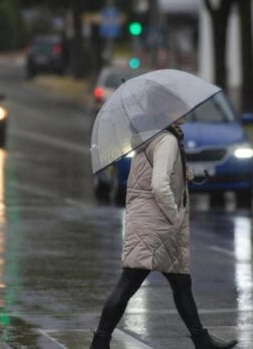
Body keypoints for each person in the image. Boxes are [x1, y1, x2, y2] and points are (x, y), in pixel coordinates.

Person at [89, 118, 238, 349]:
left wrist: (183, 173)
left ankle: (202, 341)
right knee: (129, 283)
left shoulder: (152, 136)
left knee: (180, 284)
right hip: (157, 225)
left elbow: (151, 174)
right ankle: (100, 342)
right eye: (178, 110)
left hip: (148, 222)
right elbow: (159, 185)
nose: (185, 114)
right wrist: (175, 215)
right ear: (165, 114)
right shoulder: (166, 140)